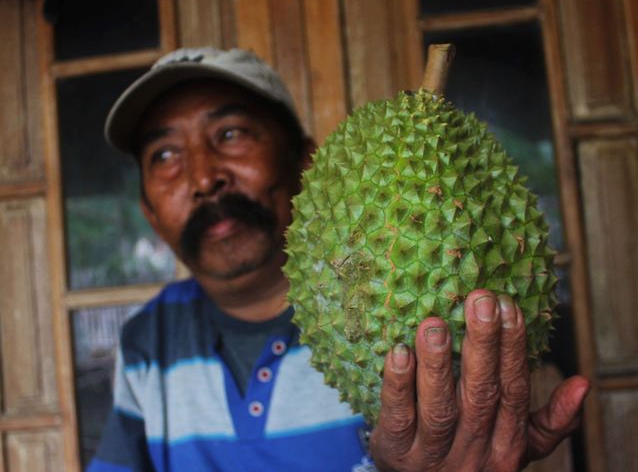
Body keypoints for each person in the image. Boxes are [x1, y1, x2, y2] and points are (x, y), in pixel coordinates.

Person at [87, 47, 589, 472]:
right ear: (149, 213)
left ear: (309, 163)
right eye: (165, 156)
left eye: (231, 134)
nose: (203, 177)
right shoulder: (146, 341)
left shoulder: (378, 315)